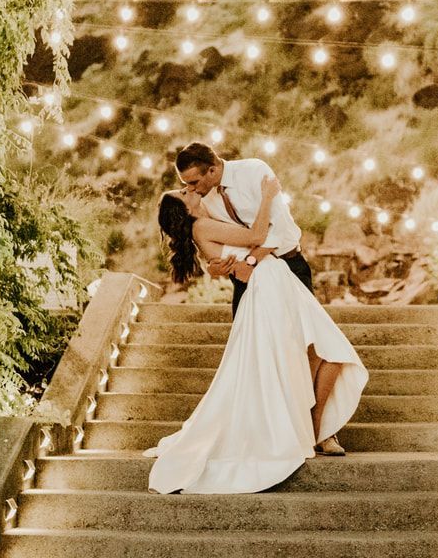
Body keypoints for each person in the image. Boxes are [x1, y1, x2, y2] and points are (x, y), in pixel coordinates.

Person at [146, 177, 368, 493]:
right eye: (183, 193)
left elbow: (247, 246)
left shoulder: (207, 221)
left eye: (187, 186)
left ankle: (311, 426)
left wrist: (251, 253)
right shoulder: (202, 227)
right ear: (185, 211)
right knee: (319, 348)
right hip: (268, 285)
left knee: (323, 348)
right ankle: (310, 429)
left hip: (275, 280)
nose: (190, 190)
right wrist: (267, 197)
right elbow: (257, 235)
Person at [174, 142, 312, 319]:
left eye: (193, 182)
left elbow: (279, 227)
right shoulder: (202, 197)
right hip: (244, 278)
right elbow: (207, 237)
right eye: (186, 184)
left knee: (307, 336)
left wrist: (251, 262)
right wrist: (211, 266)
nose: (190, 188)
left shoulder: (254, 171)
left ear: (212, 171)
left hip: (288, 264)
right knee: (246, 338)